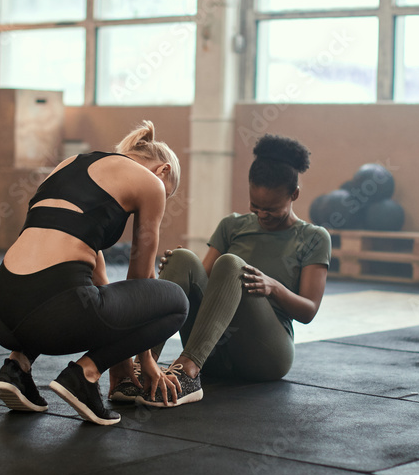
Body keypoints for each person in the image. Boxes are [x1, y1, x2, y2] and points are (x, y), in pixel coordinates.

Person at [0, 122, 187, 425]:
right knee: (176, 302)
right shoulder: (152, 183)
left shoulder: (69, 165)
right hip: (54, 317)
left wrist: (123, 359)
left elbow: (98, 280)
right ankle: (84, 376)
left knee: (58, 287)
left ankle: (17, 367)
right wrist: (145, 362)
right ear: (163, 171)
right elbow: (141, 280)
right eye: (167, 196)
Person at [110, 134, 331, 408]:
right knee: (182, 257)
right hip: (214, 351)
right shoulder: (232, 226)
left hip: (265, 356)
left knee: (231, 263)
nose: (262, 214)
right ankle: (144, 366)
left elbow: (309, 311)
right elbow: (200, 288)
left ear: (294, 194)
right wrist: (178, 269)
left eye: (272, 209)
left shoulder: (314, 237)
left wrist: (273, 287)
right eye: (255, 206)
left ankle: (188, 371)